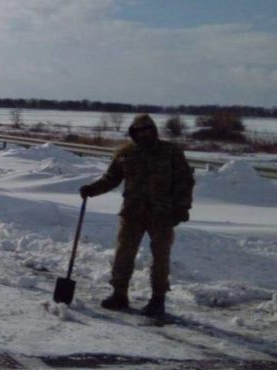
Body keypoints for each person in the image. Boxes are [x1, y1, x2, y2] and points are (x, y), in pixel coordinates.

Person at [80, 113, 195, 318]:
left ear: (154, 130)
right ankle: (119, 294)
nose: (144, 134)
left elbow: (184, 181)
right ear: (133, 132)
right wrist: (93, 189)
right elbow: (111, 178)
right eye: (139, 131)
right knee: (124, 254)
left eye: (148, 129)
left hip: (162, 214)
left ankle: (158, 299)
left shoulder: (170, 152)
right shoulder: (125, 153)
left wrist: (182, 208)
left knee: (160, 257)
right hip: (132, 213)